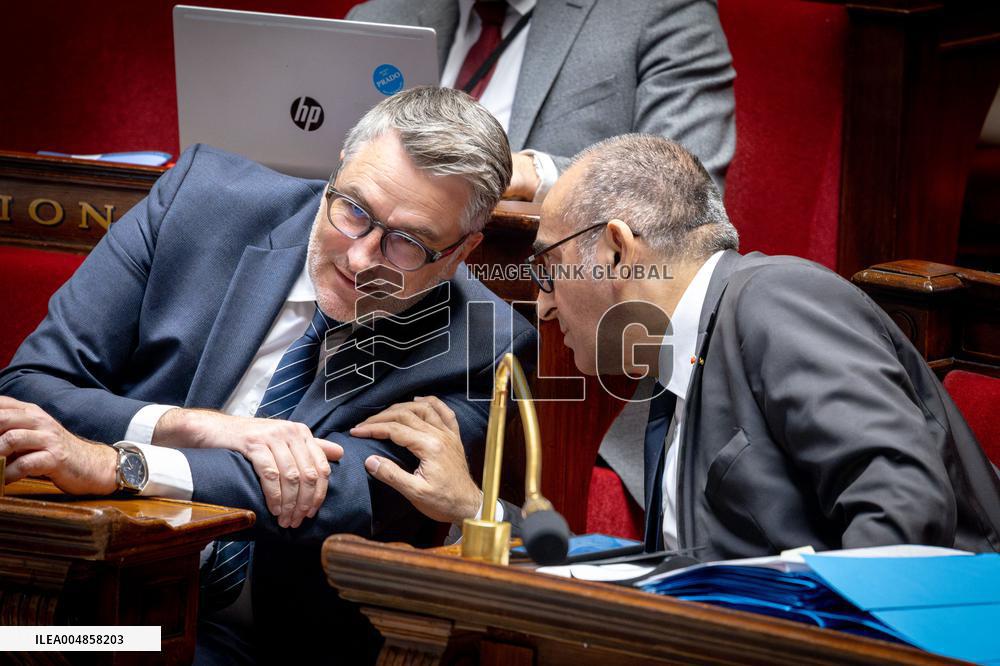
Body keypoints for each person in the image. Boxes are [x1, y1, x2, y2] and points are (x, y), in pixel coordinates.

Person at [0, 87, 535, 663]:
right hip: (91, 605)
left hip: (266, 646)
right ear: (336, 172)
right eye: (353, 210)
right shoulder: (198, 201)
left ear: (460, 252)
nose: (360, 259)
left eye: (407, 244)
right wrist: (193, 427)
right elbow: (29, 386)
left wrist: (122, 465)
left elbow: (332, 495)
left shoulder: (483, 344)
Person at [357, 134, 1000, 560]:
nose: (544, 306)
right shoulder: (671, 372)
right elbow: (666, 580)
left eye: (546, 272)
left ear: (614, 250)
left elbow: (905, 514)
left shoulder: (775, 298)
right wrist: (475, 509)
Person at [347, 0, 736, 201]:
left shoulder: (661, 11)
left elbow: (688, 189)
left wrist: (535, 174)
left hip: (532, 301)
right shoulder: (379, 13)